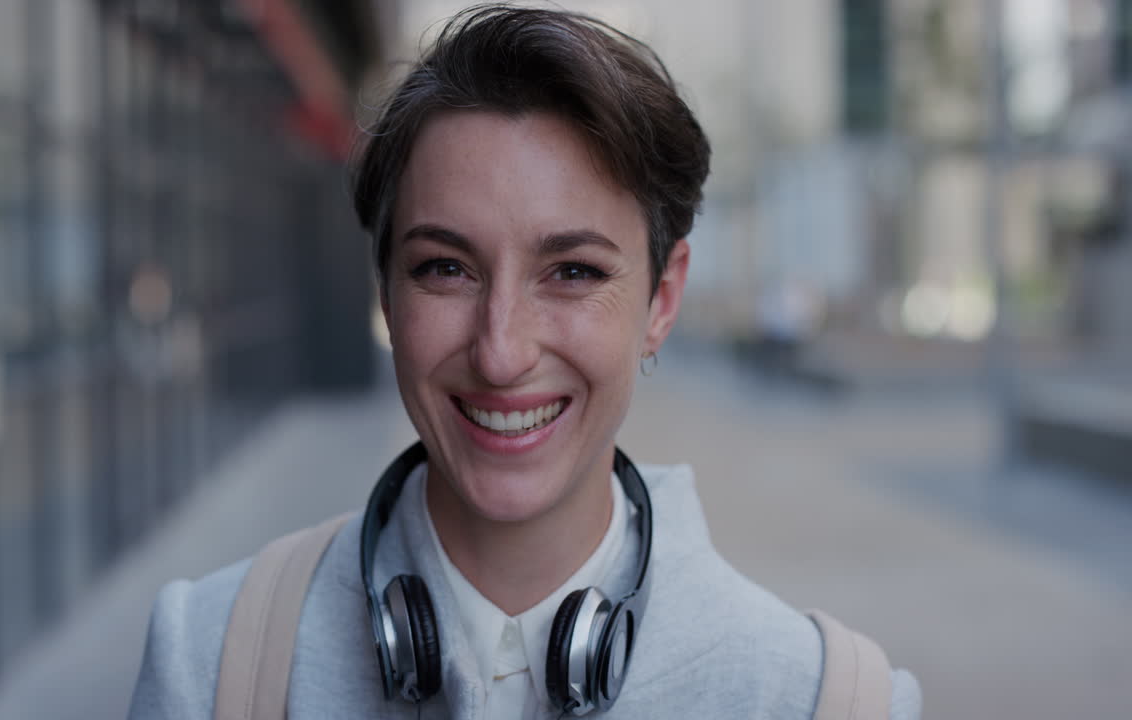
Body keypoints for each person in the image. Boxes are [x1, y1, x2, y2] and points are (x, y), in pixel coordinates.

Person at [127, 5, 922, 719]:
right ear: (386, 294)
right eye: (445, 267)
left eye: (572, 272)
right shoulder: (211, 664)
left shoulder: (826, 701)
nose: (502, 353)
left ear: (662, 300)